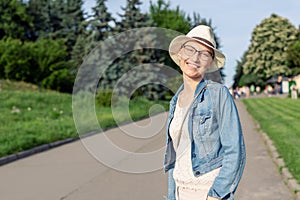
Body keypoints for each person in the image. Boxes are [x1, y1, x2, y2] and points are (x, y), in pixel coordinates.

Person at [164, 25, 246, 200]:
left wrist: (216, 195)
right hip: (179, 192)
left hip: (207, 192)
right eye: (190, 49)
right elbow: (175, 157)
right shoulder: (175, 101)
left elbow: (235, 150)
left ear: (209, 63)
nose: (195, 58)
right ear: (180, 55)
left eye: (204, 54)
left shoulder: (218, 94)